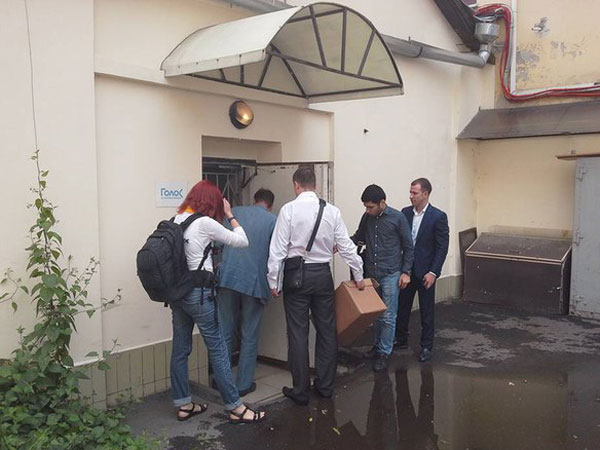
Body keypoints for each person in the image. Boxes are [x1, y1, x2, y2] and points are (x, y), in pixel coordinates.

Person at [170, 180, 266, 424]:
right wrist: (230, 215)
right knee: (219, 350)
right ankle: (236, 407)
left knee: (180, 350)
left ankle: (183, 404)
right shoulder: (204, 223)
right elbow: (242, 240)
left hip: (178, 295)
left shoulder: (177, 219)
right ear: (212, 202)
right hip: (199, 295)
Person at [267, 166, 364, 406]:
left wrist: (274, 281)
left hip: (296, 277)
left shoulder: (288, 210)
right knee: (326, 331)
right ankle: (325, 386)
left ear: (296, 185)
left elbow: (277, 250)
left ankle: (301, 390)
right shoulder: (331, 211)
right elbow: (346, 245)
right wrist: (358, 274)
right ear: (316, 185)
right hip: (322, 275)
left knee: (298, 333)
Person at [218, 188, 276, 397]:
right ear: (270, 205)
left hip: (227, 278)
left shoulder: (234, 213)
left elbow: (217, 242)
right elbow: (276, 253)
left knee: (224, 331)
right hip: (254, 283)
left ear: (254, 200)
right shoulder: (272, 220)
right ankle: (243, 384)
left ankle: (221, 381)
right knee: (249, 334)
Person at [352, 184, 414, 372]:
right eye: (365, 207)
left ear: (382, 203)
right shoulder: (367, 218)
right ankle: (377, 346)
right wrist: (340, 244)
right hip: (372, 273)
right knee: (376, 314)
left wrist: (406, 272)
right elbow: (359, 237)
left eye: (370, 207)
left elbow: (408, 246)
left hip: (391, 274)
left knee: (388, 316)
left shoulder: (398, 218)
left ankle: (384, 353)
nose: (367, 210)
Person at [395, 178, 449, 362]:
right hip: (407, 270)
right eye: (410, 192)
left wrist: (433, 272)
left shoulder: (438, 217)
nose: (411, 196)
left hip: (426, 272)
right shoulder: (405, 213)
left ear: (425, 194)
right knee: (403, 307)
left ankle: (426, 346)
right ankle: (401, 339)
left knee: (426, 310)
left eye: (414, 193)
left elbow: (442, 247)